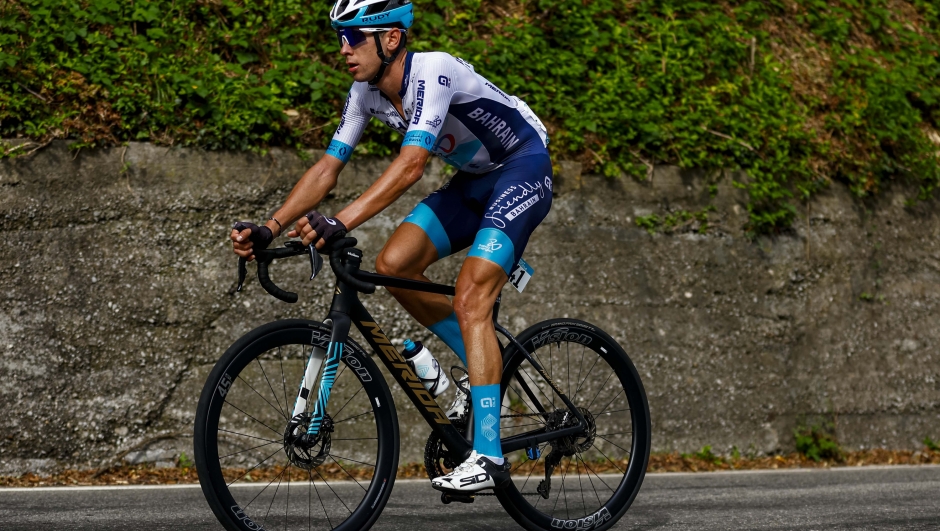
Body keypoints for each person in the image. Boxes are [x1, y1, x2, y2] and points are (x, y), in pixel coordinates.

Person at [230, 0, 552, 494]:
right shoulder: (365, 93)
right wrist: (271, 227)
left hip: (522, 166)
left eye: (354, 36)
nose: (344, 48)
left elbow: (411, 166)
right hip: (475, 180)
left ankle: (488, 455)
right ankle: (481, 369)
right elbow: (326, 168)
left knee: (471, 296)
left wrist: (337, 221)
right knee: (394, 264)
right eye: (340, 36)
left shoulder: (434, 70)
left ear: (391, 39)